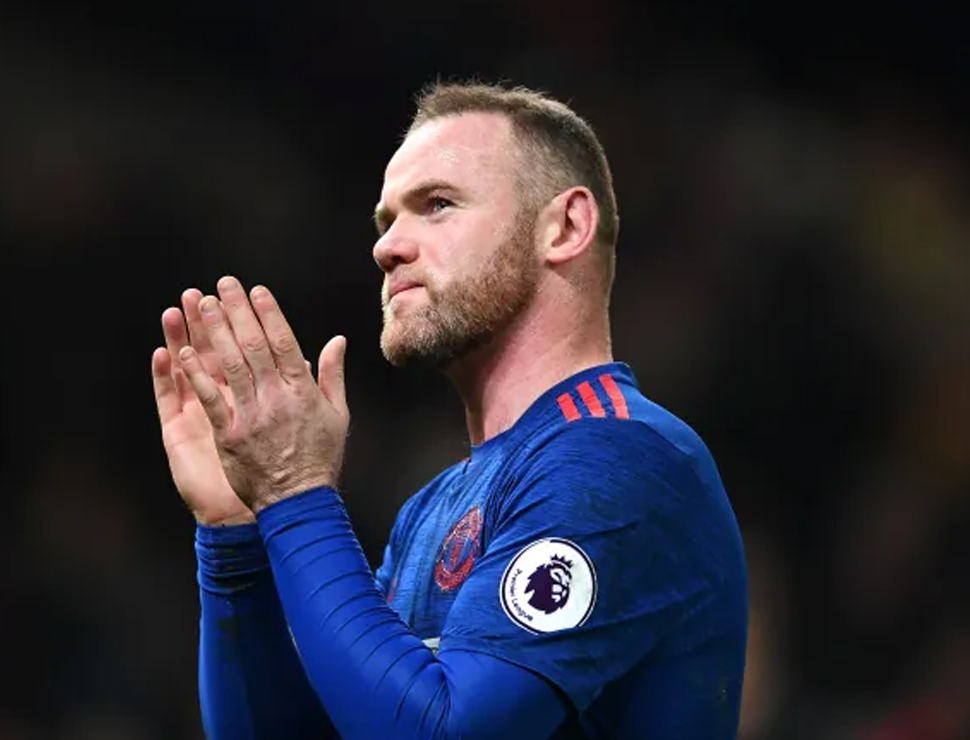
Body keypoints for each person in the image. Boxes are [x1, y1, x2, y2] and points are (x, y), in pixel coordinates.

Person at [151, 81, 748, 740]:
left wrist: (295, 489)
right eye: (385, 222)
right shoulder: (434, 507)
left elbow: (443, 732)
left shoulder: (619, 458)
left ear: (566, 227)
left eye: (437, 205)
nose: (386, 247)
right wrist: (236, 537)